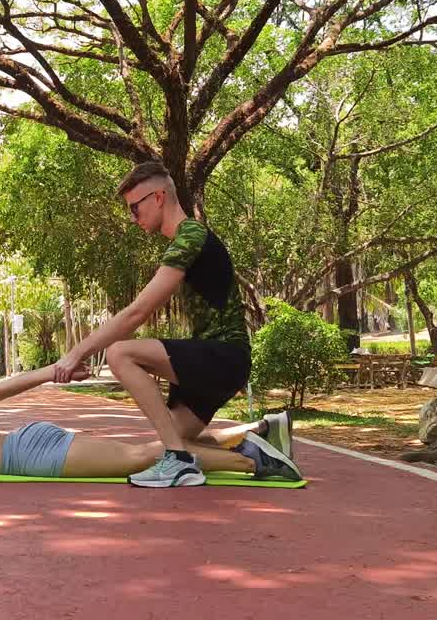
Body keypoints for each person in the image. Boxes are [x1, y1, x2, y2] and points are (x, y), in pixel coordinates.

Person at [53, 161, 299, 487]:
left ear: (158, 197)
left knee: (120, 354)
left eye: (135, 208)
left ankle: (180, 463)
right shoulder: (184, 240)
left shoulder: (192, 235)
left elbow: (136, 313)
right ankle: (260, 443)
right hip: (218, 362)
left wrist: (77, 353)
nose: (132, 218)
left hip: (224, 357)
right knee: (165, 443)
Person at [0, 341, 297, 481]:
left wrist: (52, 372)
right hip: (26, 450)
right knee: (151, 447)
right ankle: (256, 431)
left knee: (143, 457)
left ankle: (254, 461)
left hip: (31, 455)